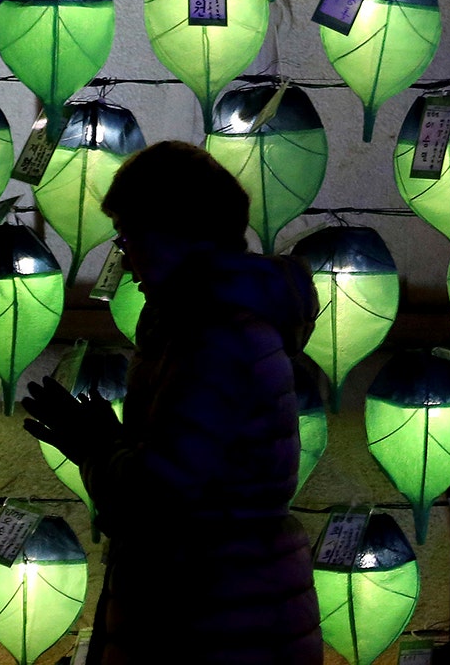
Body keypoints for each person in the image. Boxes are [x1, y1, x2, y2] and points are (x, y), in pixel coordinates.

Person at [21, 141, 323, 664]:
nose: (123, 253)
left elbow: (159, 498)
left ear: (175, 234)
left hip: (214, 619)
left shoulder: (216, 338)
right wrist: (111, 442)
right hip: (227, 608)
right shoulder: (201, 325)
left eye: (129, 235)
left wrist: (95, 447)